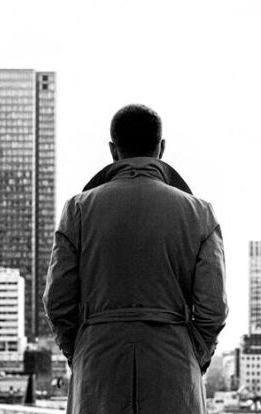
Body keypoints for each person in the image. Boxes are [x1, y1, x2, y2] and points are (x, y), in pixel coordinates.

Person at [43, 104, 228, 414]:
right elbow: (213, 308)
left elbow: (57, 302)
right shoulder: (200, 214)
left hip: (98, 366)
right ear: (162, 148)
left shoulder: (77, 211)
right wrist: (193, 354)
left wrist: (82, 350)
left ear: (113, 150)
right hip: (174, 366)